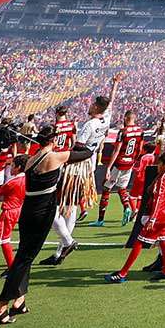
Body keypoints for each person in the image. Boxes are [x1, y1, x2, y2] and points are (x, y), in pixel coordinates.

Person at [0, 127, 92, 324]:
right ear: (53, 140)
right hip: (42, 212)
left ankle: (19, 301)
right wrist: (80, 144)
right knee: (23, 259)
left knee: (25, 256)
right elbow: (87, 153)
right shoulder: (55, 157)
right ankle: (0, 309)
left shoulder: (31, 159)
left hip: (28, 211)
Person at [47, 74, 119, 265]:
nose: (89, 106)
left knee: (57, 205)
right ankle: (60, 251)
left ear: (96, 107)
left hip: (76, 167)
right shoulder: (106, 119)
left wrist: (59, 157)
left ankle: (66, 242)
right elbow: (111, 104)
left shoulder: (89, 125)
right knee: (71, 206)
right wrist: (115, 84)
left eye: (92, 104)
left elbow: (78, 148)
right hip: (87, 167)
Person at [112, 147, 165, 282]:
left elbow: (159, 200)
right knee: (164, 242)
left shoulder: (163, 178)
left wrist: (152, 219)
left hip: (158, 217)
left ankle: (122, 273)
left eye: (160, 163)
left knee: (139, 242)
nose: (158, 166)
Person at [96, 108, 144, 226]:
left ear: (126, 118)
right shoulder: (140, 131)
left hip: (119, 164)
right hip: (129, 164)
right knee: (122, 188)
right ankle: (127, 207)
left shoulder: (123, 132)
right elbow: (139, 149)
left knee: (106, 188)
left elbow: (117, 150)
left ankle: (100, 220)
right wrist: (133, 160)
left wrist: (108, 167)